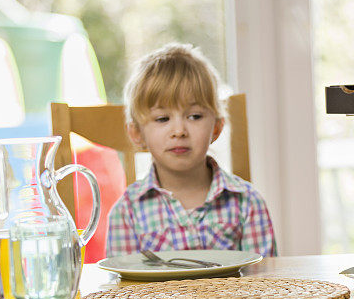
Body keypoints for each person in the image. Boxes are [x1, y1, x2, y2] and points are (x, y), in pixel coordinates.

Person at [106, 43, 277, 258]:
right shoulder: (126, 213)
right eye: (162, 119)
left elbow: (266, 285)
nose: (179, 131)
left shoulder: (247, 202)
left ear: (216, 127)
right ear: (136, 133)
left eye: (194, 116)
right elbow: (124, 290)